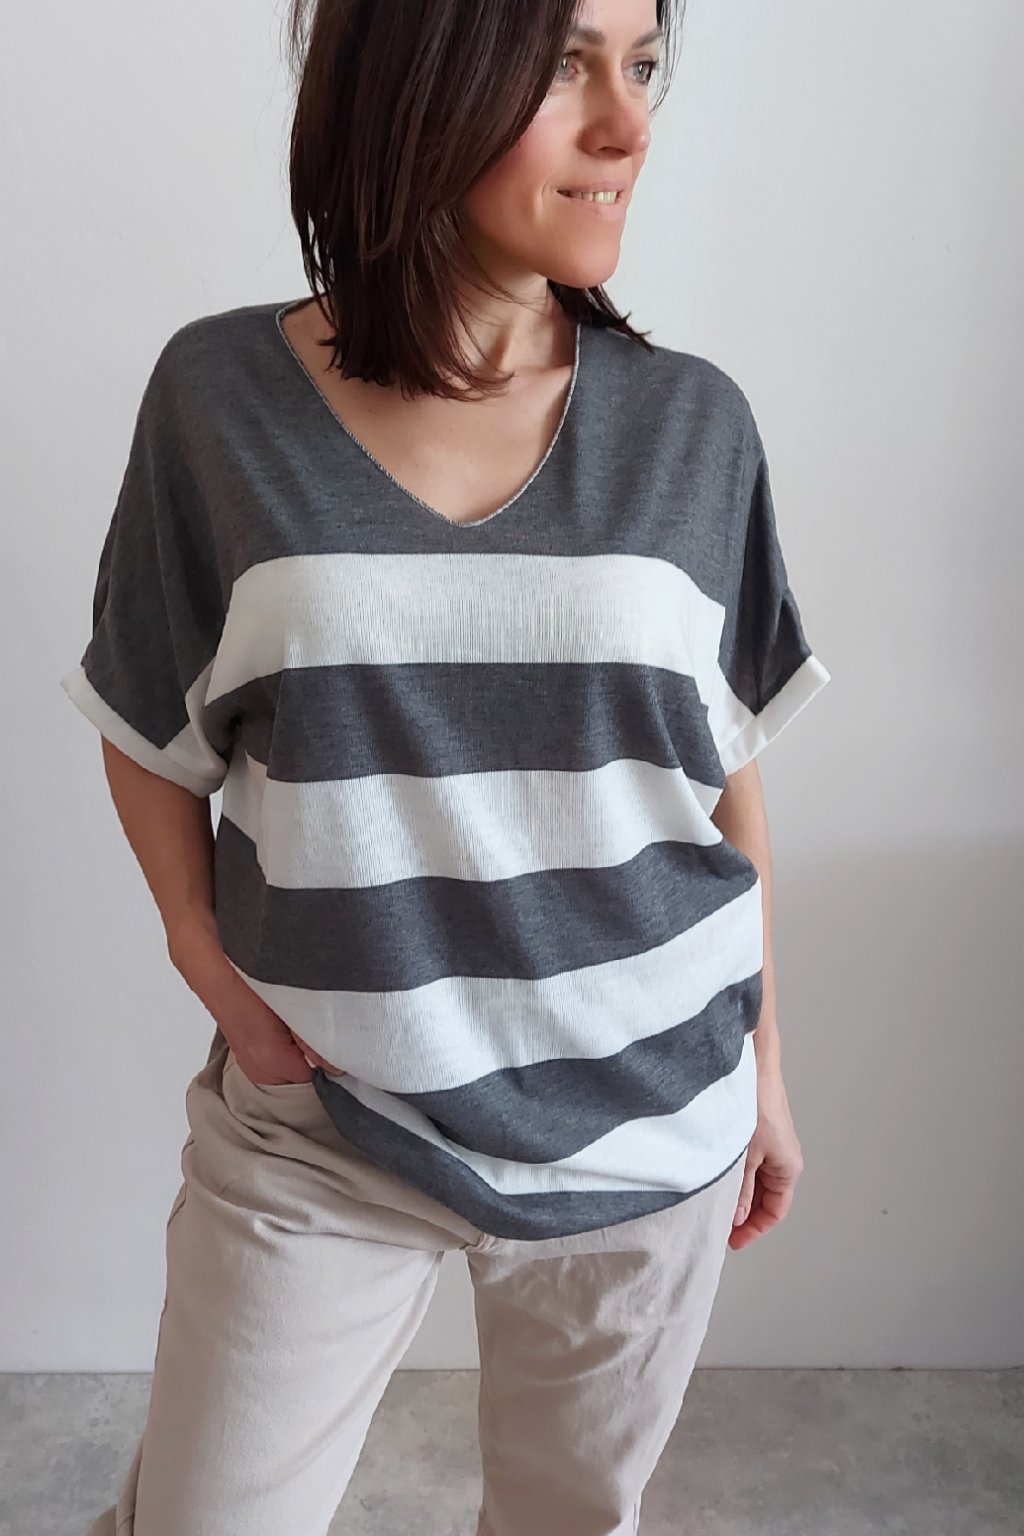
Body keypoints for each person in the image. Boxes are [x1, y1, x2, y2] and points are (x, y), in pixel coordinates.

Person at [60, 0, 831, 1531]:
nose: (629, 124)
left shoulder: (694, 426)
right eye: (565, 63)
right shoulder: (219, 401)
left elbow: (722, 773)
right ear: (419, 73)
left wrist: (766, 1073)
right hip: (323, 1130)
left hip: (647, 1127)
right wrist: (210, 968)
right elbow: (147, 719)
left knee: (566, 1519)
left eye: (643, 63)